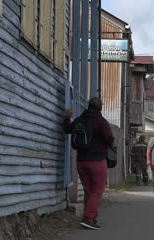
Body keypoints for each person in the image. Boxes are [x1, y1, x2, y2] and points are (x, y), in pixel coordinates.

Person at [63, 97, 114, 230]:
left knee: (88, 190)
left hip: (81, 162)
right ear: (100, 107)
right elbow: (110, 139)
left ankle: (91, 218)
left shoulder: (80, 119)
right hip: (97, 161)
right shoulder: (101, 122)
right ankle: (87, 217)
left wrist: (67, 117)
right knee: (97, 190)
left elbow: (67, 129)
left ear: (89, 106)